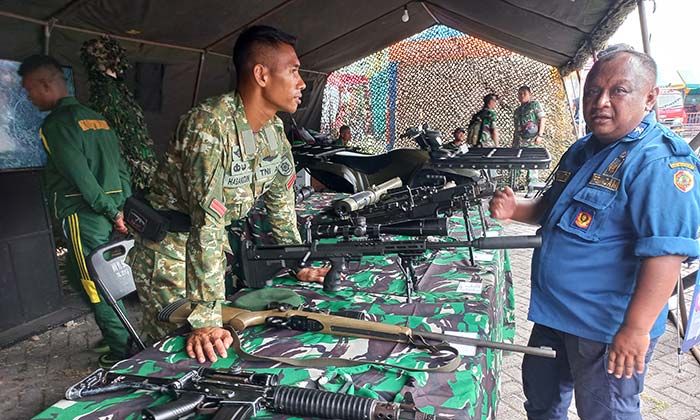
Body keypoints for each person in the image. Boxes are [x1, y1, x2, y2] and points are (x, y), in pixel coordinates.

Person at [489, 47, 700, 419]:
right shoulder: (582, 149)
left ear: (649, 96)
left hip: (607, 329)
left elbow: (666, 256)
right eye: (592, 91)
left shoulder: (660, 161)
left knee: (605, 414)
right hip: (556, 316)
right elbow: (553, 211)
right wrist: (515, 210)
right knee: (541, 404)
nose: (600, 102)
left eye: (619, 90)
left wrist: (635, 330)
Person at [128, 25, 328, 364]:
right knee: (175, 356)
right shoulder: (209, 126)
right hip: (170, 254)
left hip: (208, 253)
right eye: (293, 71)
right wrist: (205, 319)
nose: (302, 82)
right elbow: (207, 221)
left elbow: (281, 201)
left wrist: (297, 262)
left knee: (218, 351)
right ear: (262, 75)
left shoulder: (273, 131)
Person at [19, 55, 133, 367]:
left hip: (83, 215)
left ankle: (122, 350)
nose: (29, 98)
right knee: (84, 272)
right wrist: (123, 208)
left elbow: (80, 177)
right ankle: (116, 328)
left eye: (30, 90)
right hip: (111, 213)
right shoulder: (95, 117)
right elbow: (121, 168)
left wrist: (112, 212)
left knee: (93, 282)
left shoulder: (56, 125)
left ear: (46, 84)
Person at [513, 85, 546, 192]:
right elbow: (516, 128)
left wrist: (540, 135)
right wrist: (514, 142)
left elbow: (542, 119)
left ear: (530, 95)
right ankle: (513, 187)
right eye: (520, 93)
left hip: (531, 140)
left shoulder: (534, 105)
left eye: (524, 93)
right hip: (519, 142)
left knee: (532, 164)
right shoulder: (517, 111)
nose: (521, 95)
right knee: (515, 164)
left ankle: (531, 188)